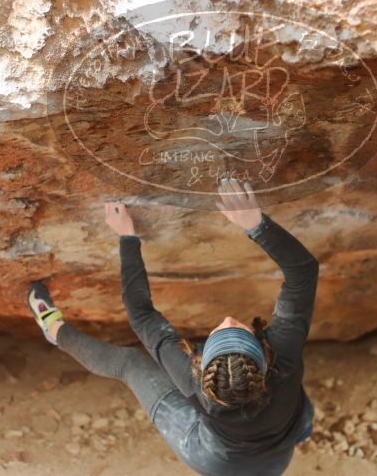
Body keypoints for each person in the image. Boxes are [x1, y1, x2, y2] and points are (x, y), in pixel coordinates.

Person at [26, 177, 319, 476]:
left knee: (130, 364)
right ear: (263, 359)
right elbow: (302, 272)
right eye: (238, 329)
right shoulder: (284, 355)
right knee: (298, 406)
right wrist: (257, 225)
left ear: (202, 366)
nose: (228, 320)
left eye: (221, 332)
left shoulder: (191, 382)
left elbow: (142, 316)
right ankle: (302, 428)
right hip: (276, 453)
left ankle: (53, 329)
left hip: (219, 462)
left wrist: (128, 238)